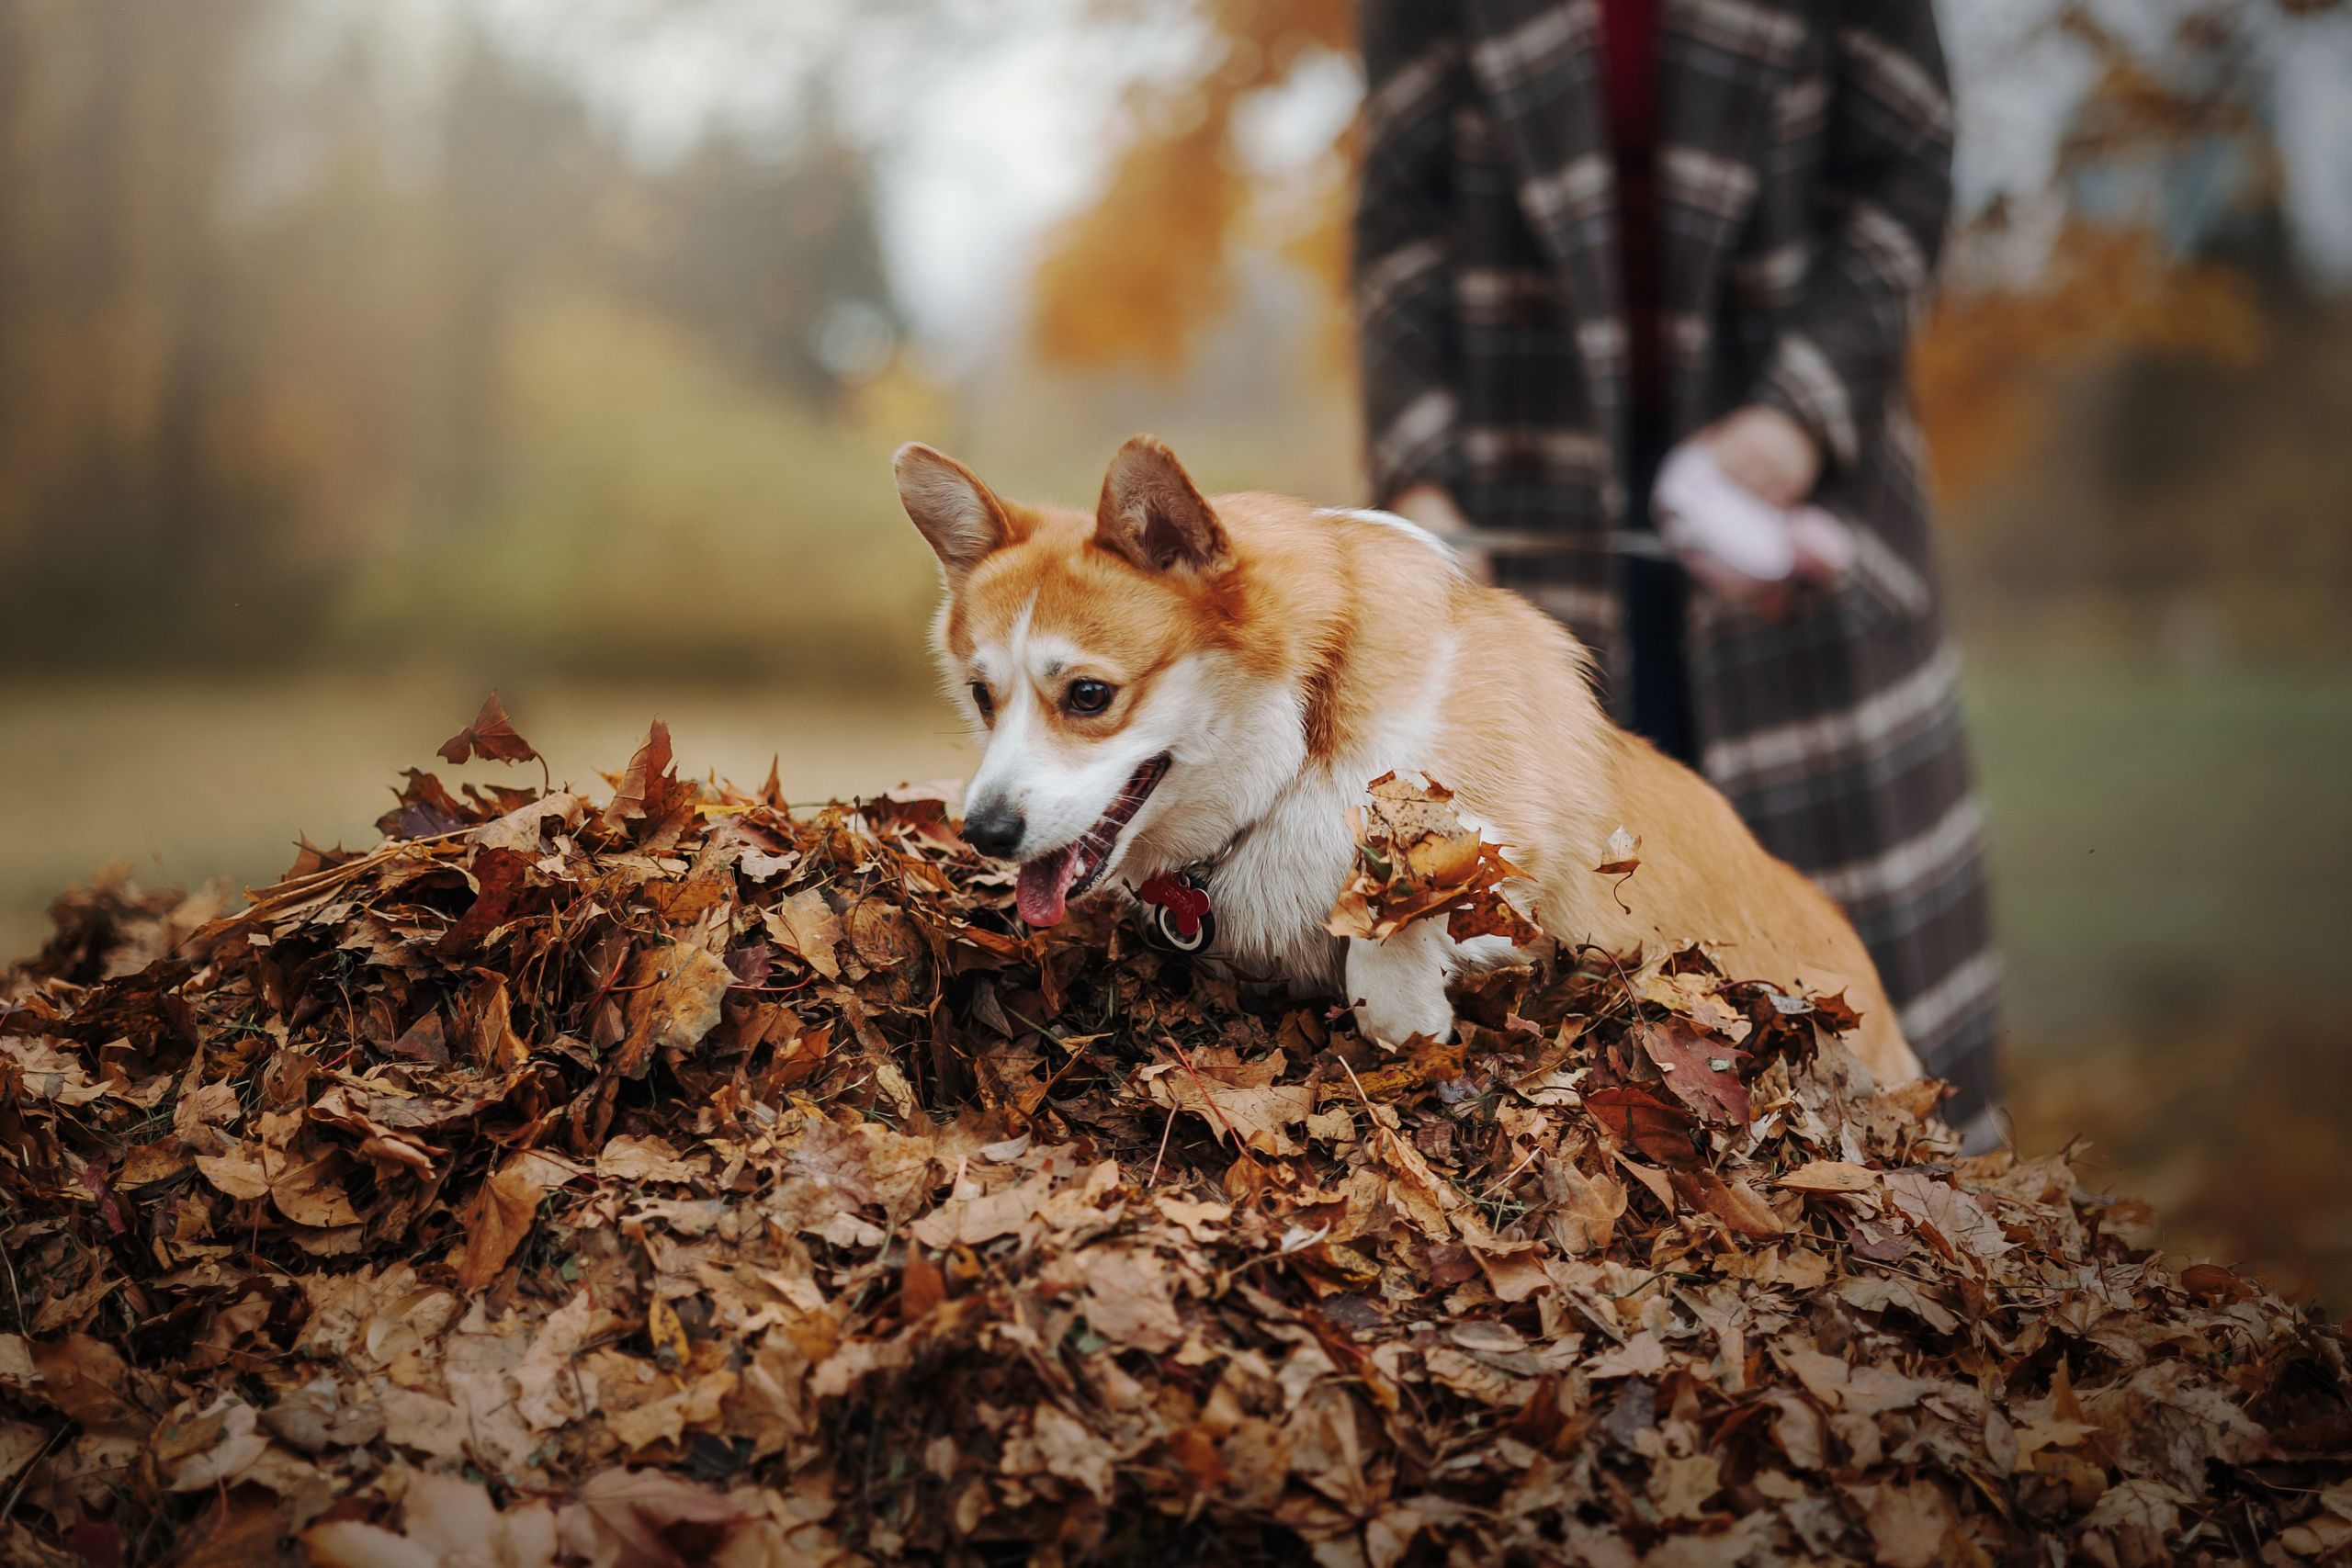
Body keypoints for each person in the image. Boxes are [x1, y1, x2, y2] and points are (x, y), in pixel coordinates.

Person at [1353, 0, 2001, 1143]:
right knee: (1566, 984)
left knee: (1871, 1037)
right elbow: (1400, 226)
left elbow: (1903, 178)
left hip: (1800, 491)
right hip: (1524, 486)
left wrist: (1799, 418)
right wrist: (1419, 480)